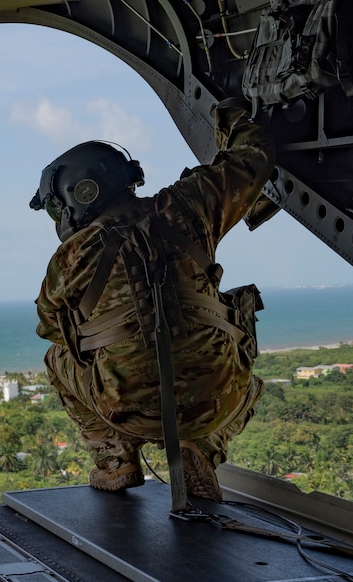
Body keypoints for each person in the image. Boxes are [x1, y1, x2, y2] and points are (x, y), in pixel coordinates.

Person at [30, 100, 276, 500]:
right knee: (238, 317)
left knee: (58, 360)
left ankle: (116, 461)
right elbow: (254, 158)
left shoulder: (69, 257)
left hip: (129, 413)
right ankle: (204, 446)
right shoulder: (189, 204)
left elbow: (51, 327)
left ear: (80, 196)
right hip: (217, 402)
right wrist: (234, 116)